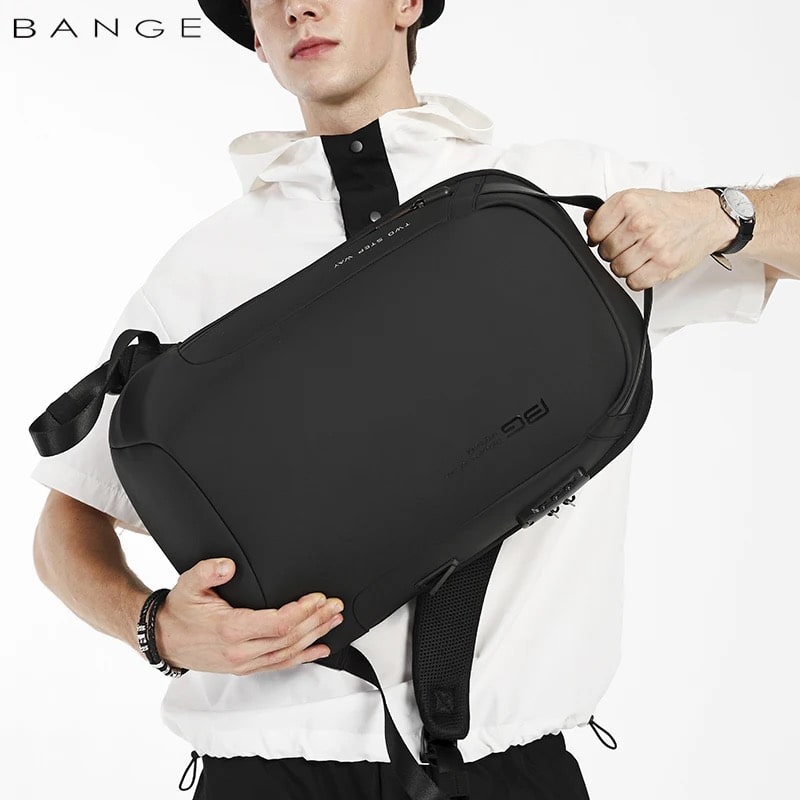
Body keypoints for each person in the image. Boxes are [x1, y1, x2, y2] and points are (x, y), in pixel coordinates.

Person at [30, 1, 799, 799]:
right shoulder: (195, 275)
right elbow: (65, 527)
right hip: (266, 772)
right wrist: (157, 629)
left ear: (406, 4)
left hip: (510, 772)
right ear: (257, 38)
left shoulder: (564, 196)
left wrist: (724, 215)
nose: (298, 6)